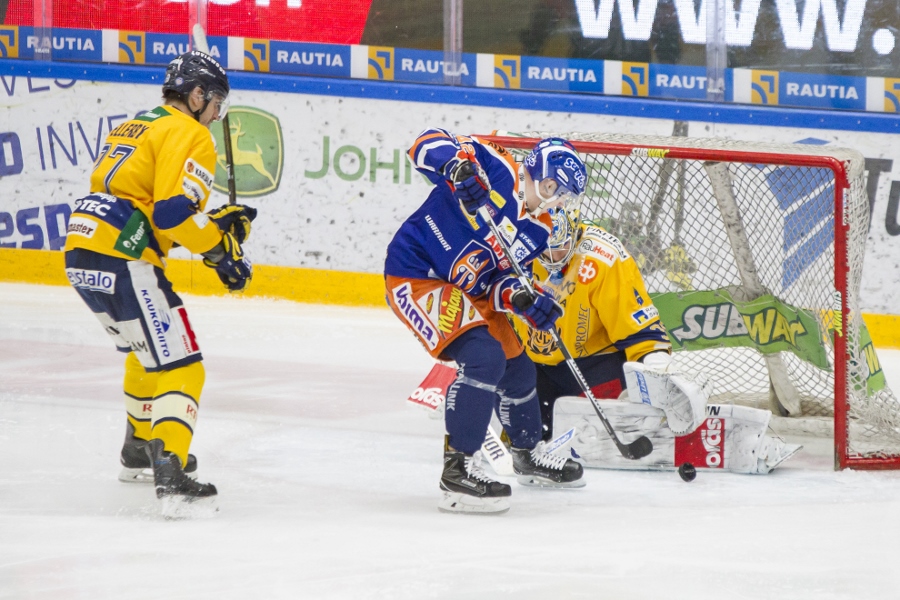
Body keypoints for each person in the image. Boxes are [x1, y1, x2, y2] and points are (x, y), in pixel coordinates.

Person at [63, 51, 255, 516]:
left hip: (81, 246)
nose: (216, 116)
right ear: (196, 95)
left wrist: (208, 228)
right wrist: (220, 250)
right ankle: (169, 464)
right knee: (184, 367)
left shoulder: (138, 123)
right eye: (216, 105)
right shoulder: (192, 133)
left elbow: (156, 207)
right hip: (125, 253)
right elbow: (172, 213)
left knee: (143, 354)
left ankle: (137, 450)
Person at [385, 130, 587, 514]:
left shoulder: (541, 228)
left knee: (518, 367)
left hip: (469, 289)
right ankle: (457, 470)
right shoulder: (495, 166)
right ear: (543, 177)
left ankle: (527, 453)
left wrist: (522, 299)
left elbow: (498, 281)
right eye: (559, 189)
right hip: (417, 274)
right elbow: (423, 143)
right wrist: (457, 168)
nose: (562, 200)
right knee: (484, 358)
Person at [515, 207, 799, 474]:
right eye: (545, 248)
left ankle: (712, 436)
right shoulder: (514, 247)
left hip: (591, 366)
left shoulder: (604, 256)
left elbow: (643, 331)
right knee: (524, 432)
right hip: (530, 366)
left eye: (559, 247)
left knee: (627, 420)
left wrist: (657, 372)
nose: (552, 257)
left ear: (575, 232)